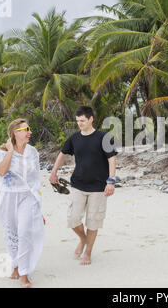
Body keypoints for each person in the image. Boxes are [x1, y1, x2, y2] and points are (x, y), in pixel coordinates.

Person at [50, 106, 117, 265]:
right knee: (73, 218)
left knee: (93, 221)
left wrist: (111, 181)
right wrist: (54, 172)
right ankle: (83, 239)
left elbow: (112, 159)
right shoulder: (74, 138)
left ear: (91, 119)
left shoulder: (104, 137)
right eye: (78, 121)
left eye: (83, 121)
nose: (79, 123)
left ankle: (88, 253)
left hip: (99, 187)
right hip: (78, 184)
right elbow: (62, 154)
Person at [0, 118, 45, 288]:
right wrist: (9, 152)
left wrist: (38, 202)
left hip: (27, 196)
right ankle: (14, 265)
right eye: (26, 129)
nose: (30, 132)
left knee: (24, 233)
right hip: (7, 196)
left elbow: (36, 179)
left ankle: (24, 273)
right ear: (15, 132)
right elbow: (1, 171)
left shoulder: (33, 152)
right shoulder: (1, 151)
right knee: (11, 233)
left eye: (29, 129)